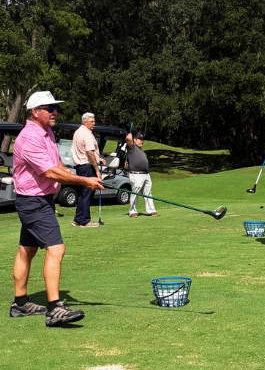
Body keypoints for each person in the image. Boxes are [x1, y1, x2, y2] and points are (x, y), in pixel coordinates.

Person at [10, 91, 105, 326]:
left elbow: (56, 164)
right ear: (35, 112)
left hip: (39, 199)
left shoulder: (46, 132)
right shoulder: (29, 137)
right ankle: (54, 309)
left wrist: (79, 177)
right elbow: (49, 172)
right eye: (49, 108)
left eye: (55, 108)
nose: (55, 112)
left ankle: (20, 304)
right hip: (33, 201)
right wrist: (84, 181)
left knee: (26, 250)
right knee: (57, 248)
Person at [70, 112, 105, 228]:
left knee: (82, 194)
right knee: (88, 194)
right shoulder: (87, 134)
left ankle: (77, 219)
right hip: (87, 166)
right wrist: (97, 170)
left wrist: (98, 158)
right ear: (85, 122)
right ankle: (85, 221)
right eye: (92, 121)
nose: (94, 124)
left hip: (80, 166)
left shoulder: (78, 132)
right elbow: (89, 153)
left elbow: (86, 151)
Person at [125, 131, 157, 217]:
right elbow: (128, 139)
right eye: (139, 139)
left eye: (142, 140)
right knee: (135, 192)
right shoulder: (132, 147)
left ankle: (151, 210)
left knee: (148, 193)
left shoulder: (141, 151)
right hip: (136, 174)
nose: (141, 141)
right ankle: (132, 211)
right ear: (134, 140)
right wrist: (129, 136)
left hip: (145, 174)